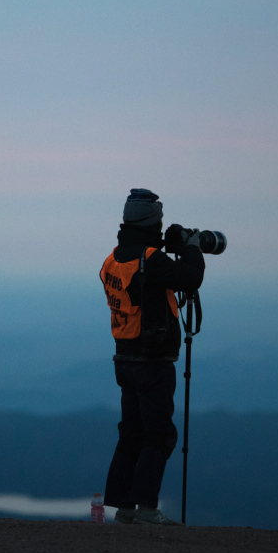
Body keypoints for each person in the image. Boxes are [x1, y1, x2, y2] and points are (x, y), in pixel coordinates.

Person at [100, 188, 205, 526]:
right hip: (152, 362)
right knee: (159, 435)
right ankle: (146, 508)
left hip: (124, 359)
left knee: (131, 433)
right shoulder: (150, 260)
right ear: (151, 221)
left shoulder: (113, 259)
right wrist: (192, 246)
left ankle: (123, 508)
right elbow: (192, 277)